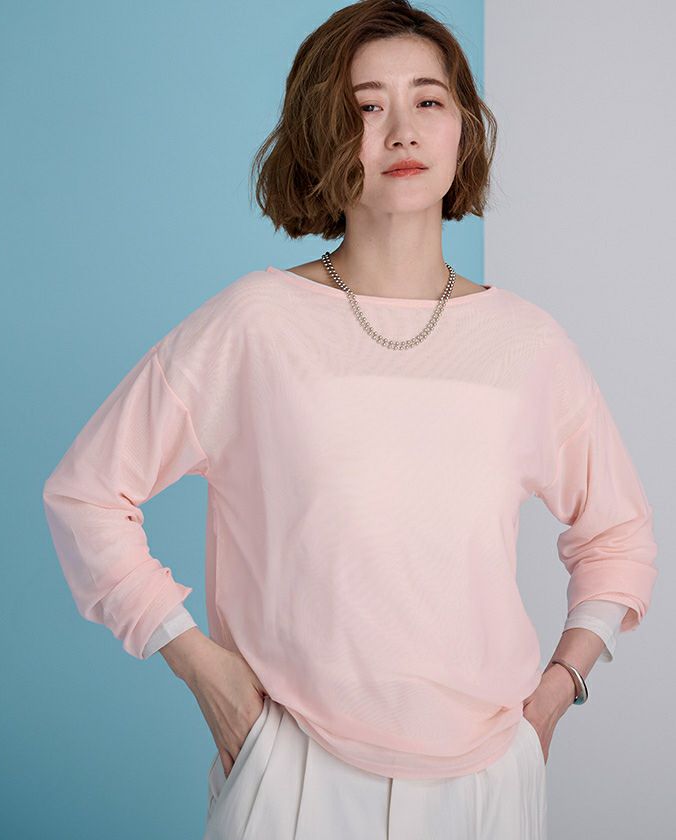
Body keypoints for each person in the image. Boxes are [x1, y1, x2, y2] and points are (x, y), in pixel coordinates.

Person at [42, 1, 658, 837]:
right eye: (367, 106)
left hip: (487, 779)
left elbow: (619, 536)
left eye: (428, 100)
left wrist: (557, 690)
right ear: (321, 133)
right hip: (295, 769)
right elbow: (86, 494)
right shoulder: (256, 323)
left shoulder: (527, 344)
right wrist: (204, 672)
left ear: (463, 129)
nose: (402, 130)